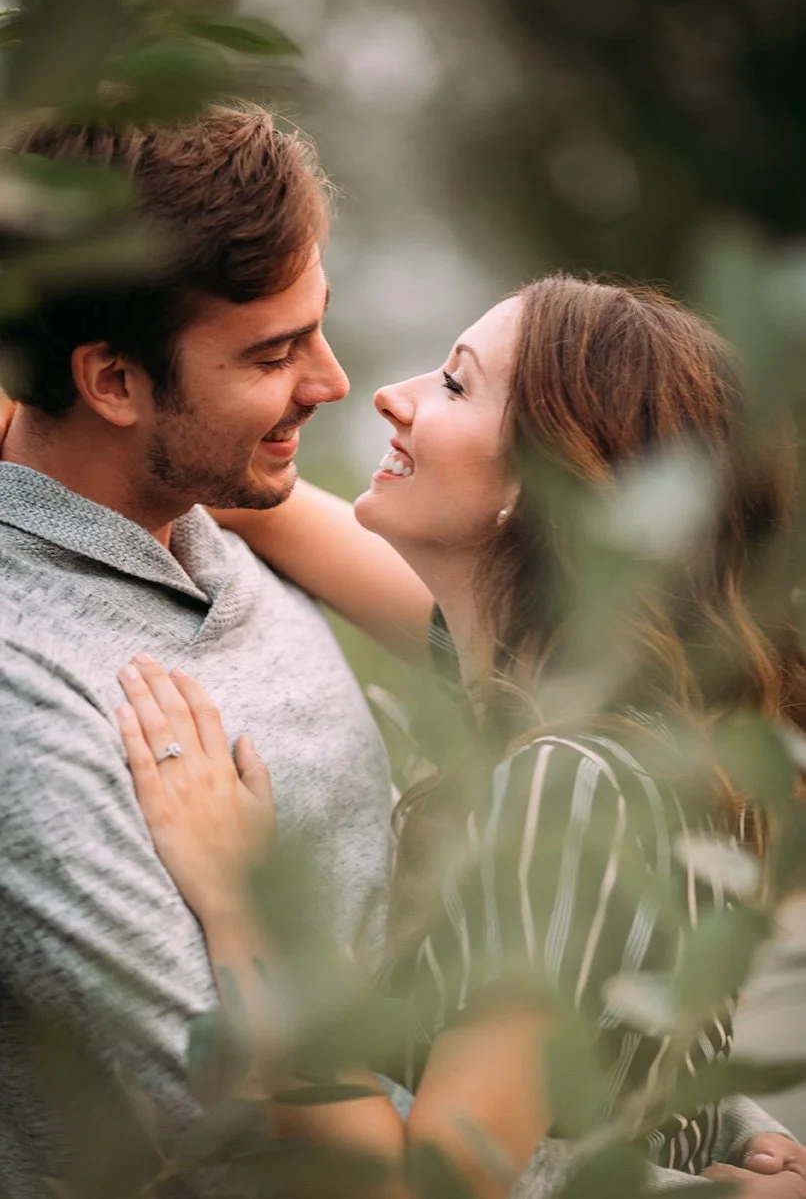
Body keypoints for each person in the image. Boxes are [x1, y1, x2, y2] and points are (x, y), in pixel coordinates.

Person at [115, 277, 806, 1197]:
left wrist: (246, 904)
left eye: (453, 384)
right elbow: (251, 498)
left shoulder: (568, 782)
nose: (389, 395)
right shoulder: (589, 701)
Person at [0, 104, 433, 1197]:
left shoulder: (213, 510)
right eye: (274, 352)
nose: (333, 382)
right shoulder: (27, 696)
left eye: (316, 325)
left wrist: (691, 1118)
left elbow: (501, 650)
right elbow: (238, 1140)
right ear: (112, 382)